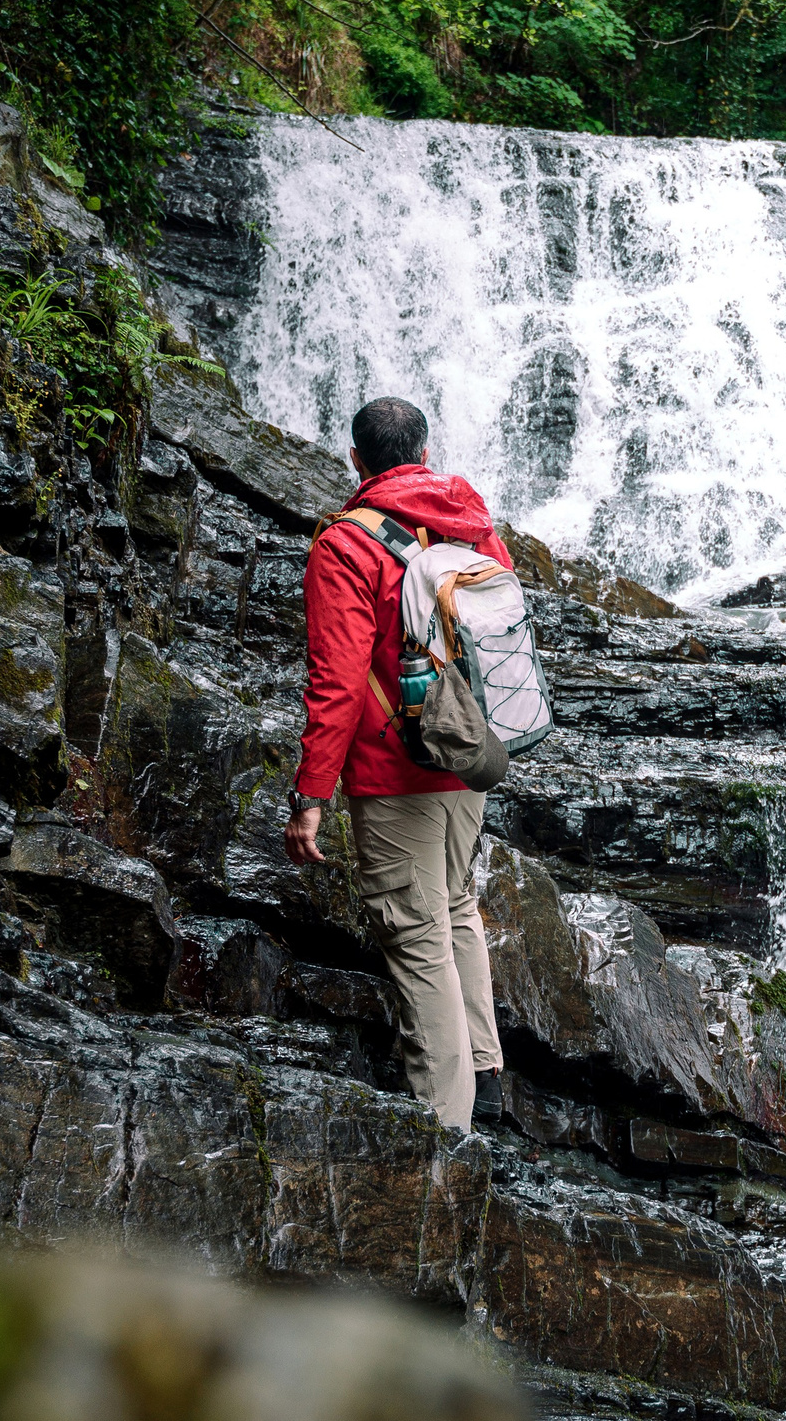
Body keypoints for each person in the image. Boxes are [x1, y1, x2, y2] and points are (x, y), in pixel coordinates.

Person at [283, 397, 508, 1132]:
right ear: (421, 450)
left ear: (356, 459)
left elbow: (338, 680)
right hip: (467, 754)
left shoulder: (345, 547)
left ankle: (446, 1131)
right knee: (453, 910)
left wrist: (311, 792)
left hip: (396, 768)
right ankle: (486, 1075)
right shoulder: (467, 519)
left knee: (416, 936)